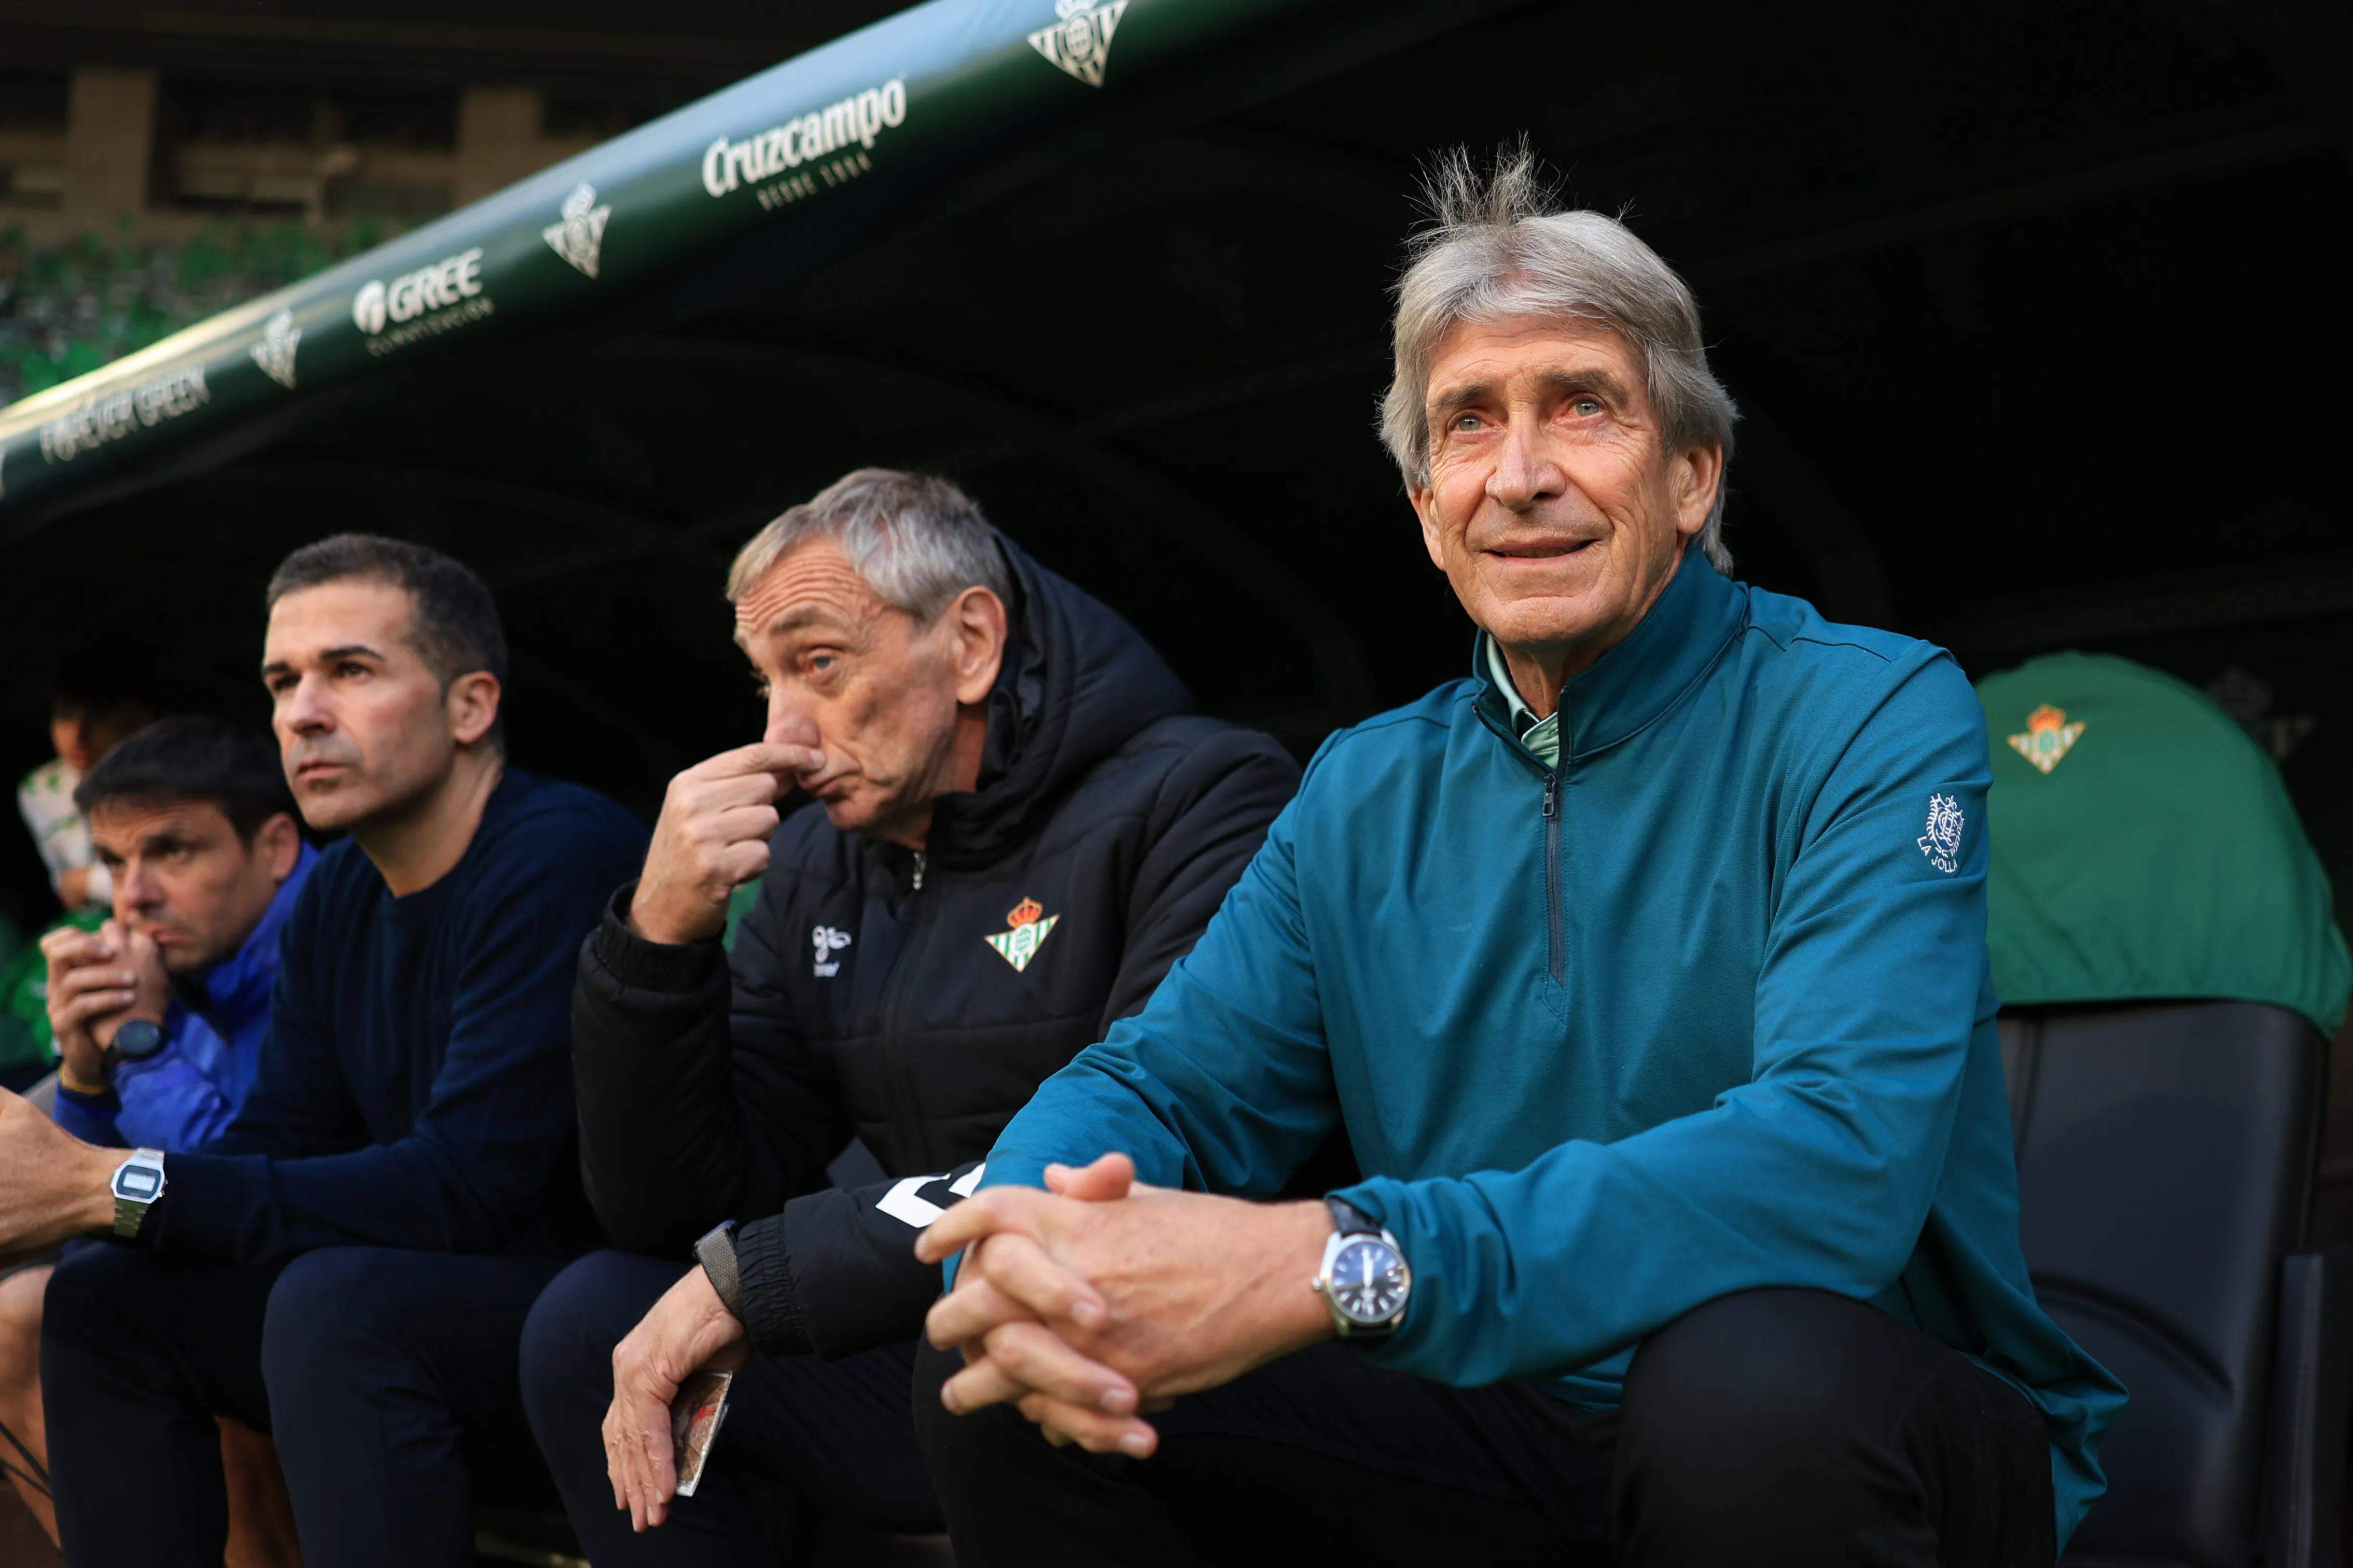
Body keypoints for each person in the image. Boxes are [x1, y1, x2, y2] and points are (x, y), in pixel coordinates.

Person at [911, 149, 2128, 1567]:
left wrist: (1345, 1260)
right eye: (1468, 425)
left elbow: (1835, 1165)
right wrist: (1029, 1245)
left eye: (1584, 407)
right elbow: (1158, 1082)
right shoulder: (1364, 785)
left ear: (1691, 475)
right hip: (1503, 1418)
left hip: (1860, 1416)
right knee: (1012, 1381)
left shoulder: (1868, 706)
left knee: (1736, 1390)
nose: (1524, 474)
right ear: (1428, 513)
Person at [520, 469, 1300, 1561]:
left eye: (820, 664)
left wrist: (774, 1277)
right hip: (927, 1336)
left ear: (973, 643)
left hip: (1158, 1350)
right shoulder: (811, 868)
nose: (783, 735)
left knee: (998, 1324)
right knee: (593, 1315)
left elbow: (1132, 1172)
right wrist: (656, 942)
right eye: (765, 683)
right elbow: (674, 1212)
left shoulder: (1202, 794)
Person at [0, 534, 647, 1568]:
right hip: (421, 1314)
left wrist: (104, 1187)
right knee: (102, 1302)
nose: (301, 711)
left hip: (597, 1322)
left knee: (336, 1301)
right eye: (282, 679)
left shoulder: (559, 853)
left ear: (471, 706)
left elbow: (466, 1187)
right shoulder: (341, 893)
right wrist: (69, 1157)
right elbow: (279, 1146)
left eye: (349, 671)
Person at [0, 716, 314, 1558]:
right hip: (260, 1277)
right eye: (112, 861)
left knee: (72, 1304)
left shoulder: (319, 939)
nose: (130, 895)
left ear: (276, 847)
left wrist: (141, 1040)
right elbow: (74, 1197)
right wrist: (88, 1067)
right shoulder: (191, 954)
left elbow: (243, 1190)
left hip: (348, 1281)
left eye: (171, 852)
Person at [18, 656, 156, 915]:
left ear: (141, 717)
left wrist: (91, 882)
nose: (78, 735)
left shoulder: (175, 776)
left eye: (100, 716)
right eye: (67, 716)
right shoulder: (40, 789)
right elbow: (68, 889)